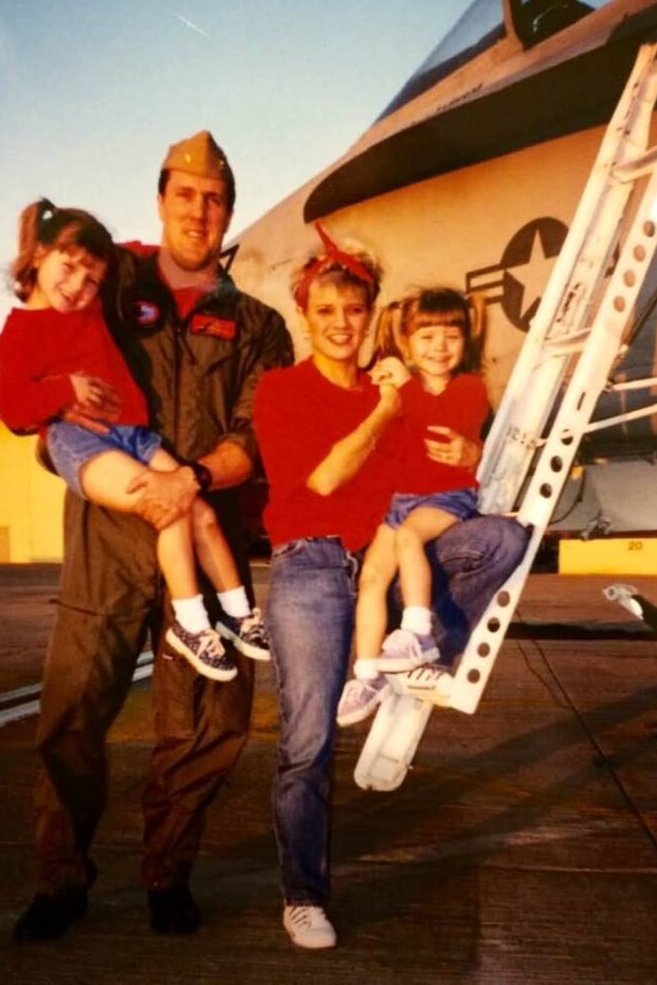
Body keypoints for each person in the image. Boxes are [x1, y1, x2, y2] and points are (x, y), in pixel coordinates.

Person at [10, 131, 293, 941]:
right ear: (160, 199)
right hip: (107, 536)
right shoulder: (107, 283)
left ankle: (169, 870)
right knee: (69, 718)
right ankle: (60, 882)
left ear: (228, 211)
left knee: (210, 721)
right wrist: (55, 419)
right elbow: (36, 330)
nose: (198, 212)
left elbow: (256, 434)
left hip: (201, 538)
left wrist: (190, 481)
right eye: (184, 195)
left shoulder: (259, 326)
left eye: (214, 199)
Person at [253, 224, 528, 949]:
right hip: (312, 565)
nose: (341, 325)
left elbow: (448, 455)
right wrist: (383, 409)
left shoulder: (403, 379)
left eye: (353, 311)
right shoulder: (284, 389)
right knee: (307, 743)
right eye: (326, 312)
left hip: (390, 551)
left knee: (505, 537)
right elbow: (323, 478)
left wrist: (471, 450)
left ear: (371, 315)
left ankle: (416, 643)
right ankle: (304, 895)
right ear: (305, 318)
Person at [0, 198, 272, 684]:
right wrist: (66, 391)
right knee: (164, 502)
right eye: (69, 266)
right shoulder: (19, 332)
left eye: (91, 278)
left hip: (136, 435)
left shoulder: (94, 305)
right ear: (38, 255)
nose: (78, 285)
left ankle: (239, 613)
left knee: (200, 509)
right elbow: (11, 406)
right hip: (79, 440)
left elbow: (140, 257)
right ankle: (191, 624)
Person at [336, 288, 490, 726]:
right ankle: (367, 675)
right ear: (406, 343)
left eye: (451, 336)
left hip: (448, 496)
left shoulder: (469, 387)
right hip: (401, 499)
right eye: (426, 337)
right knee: (372, 576)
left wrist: (404, 388)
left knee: (408, 538)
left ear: (465, 342)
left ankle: (418, 634)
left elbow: (436, 423)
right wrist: (383, 390)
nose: (439, 347)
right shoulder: (402, 388)